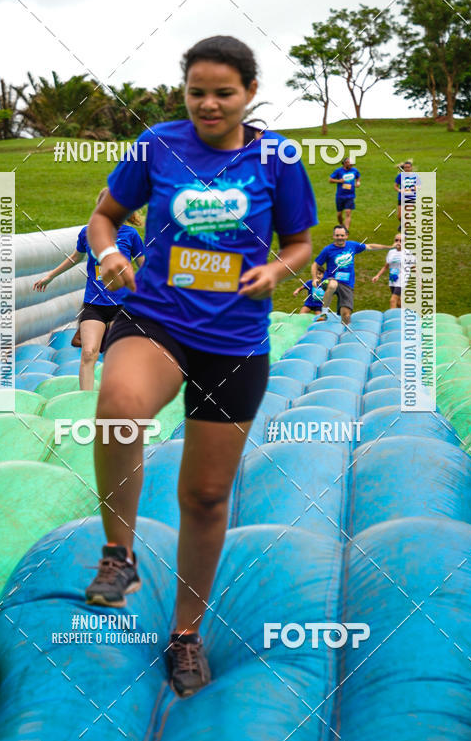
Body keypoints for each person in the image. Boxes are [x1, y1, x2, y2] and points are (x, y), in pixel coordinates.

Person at [84, 35, 317, 698]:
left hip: (236, 340)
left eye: (223, 93)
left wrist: (276, 268)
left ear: (249, 93)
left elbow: (300, 242)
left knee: (206, 496)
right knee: (120, 408)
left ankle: (186, 635)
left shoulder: (278, 157)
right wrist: (107, 255)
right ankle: (118, 555)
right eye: (197, 92)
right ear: (183, 93)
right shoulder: (158, 145)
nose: (208, 104)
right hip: (157, 318)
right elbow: (105, 218)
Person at [33, 193, 145, 390]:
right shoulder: (88, 233)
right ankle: (85, 400)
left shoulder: (130, 235)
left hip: (123, 304)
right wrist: (50, 276)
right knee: (88, 352)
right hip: (94, 304)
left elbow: (144, 265)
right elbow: (75, 258)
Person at [312, 225, 395, 326]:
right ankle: (324, 313)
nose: (340, 237)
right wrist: (314, 279)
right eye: (337, 235)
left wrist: (389, 247)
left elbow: (370, 246)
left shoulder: (352, 246)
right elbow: (315, 264)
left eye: (342, 235)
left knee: (346, 315)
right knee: (333, 285)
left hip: (347, 284)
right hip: (330, 280)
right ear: (333, 236)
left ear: (346, 236)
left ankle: (344, 333)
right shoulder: (328, 250)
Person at [372, 233, 416, 308]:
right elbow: (386, 266)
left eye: (401, 241)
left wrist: (420, 281)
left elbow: (414, 268)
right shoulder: (391, 252)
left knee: (392, 300)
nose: (398, 242)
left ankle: (393, 318)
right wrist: (377, 276)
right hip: (393, 279)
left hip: (402, 279)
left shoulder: (408, 253)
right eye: (396, 240)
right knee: (398, 302)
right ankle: (405, 315)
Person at [329, 156, 361, 231]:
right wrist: (339, 181)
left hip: (350, 195)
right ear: (344, 163)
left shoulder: (354, 170)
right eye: (349, 163)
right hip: (340, 196)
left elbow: (358, 177)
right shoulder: (338, 171)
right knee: (339, 214)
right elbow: (330, 180)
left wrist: (358, 182)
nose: (351, 164)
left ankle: (346, 231)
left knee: (348, 212)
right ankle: (341, 224)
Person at [395, 159, 417, 226]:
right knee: (399, 216)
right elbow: (395, 186)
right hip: (401, 197)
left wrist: (413, 189)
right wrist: (399, 190)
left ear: (411, 168)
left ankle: (406, 231)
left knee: (407, 215)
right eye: (405, 167)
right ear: (403, 168)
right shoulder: (400, 176)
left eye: (408, 167)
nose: (407, 169)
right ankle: (402, 224)